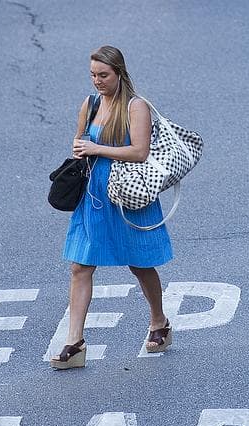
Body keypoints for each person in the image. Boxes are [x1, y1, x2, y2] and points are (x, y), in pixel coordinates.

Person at [52, 45, 172, 370]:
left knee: (140, 264)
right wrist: (80, 150)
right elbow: (80, 143)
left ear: (119, 73)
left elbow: (140, 152)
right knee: (80, 266)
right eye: (93, 75)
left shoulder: (136, 106)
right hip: (94, 194)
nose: (97, 81)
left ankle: (159, 322)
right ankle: (74, 342)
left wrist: (97, 148)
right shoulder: (90, 104)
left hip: (127, 194)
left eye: (103, 75)